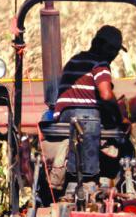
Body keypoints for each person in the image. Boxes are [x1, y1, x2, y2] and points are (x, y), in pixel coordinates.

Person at [53, 25, 130, 181]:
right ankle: (108, 178)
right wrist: (120, 117)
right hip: (85, 117)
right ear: (97, 43)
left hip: (64, 116)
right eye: (111, 49)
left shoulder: (75, 60)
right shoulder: (100, 64)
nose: (114, 54)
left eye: (116, 50)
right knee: (124, 143)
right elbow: (106, 95)